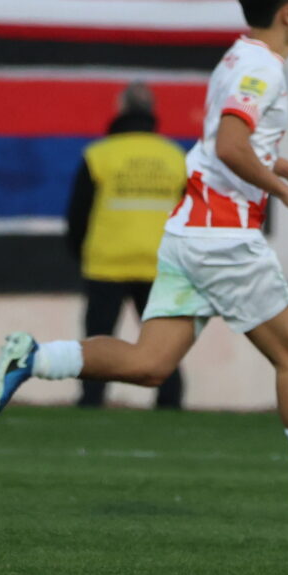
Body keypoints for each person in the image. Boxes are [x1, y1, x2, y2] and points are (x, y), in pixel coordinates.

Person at [0, 0, 288, 521]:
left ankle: (35, 357)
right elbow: (229, 145)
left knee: (150, 365)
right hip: (223, 241)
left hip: (189, 235)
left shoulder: (237, 59)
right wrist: (286, 191)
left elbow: (226, 148)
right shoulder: (261, 68)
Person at [62, 83, 191, 410]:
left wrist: (81, 253)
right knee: (162, 343)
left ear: (120, 109)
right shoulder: (175, 156)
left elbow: (78, 213)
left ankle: (91, 402)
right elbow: (190, 215)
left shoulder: (100, 155)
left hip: (107, 262)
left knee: (97, 340)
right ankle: (170, 403)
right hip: (159, 264)